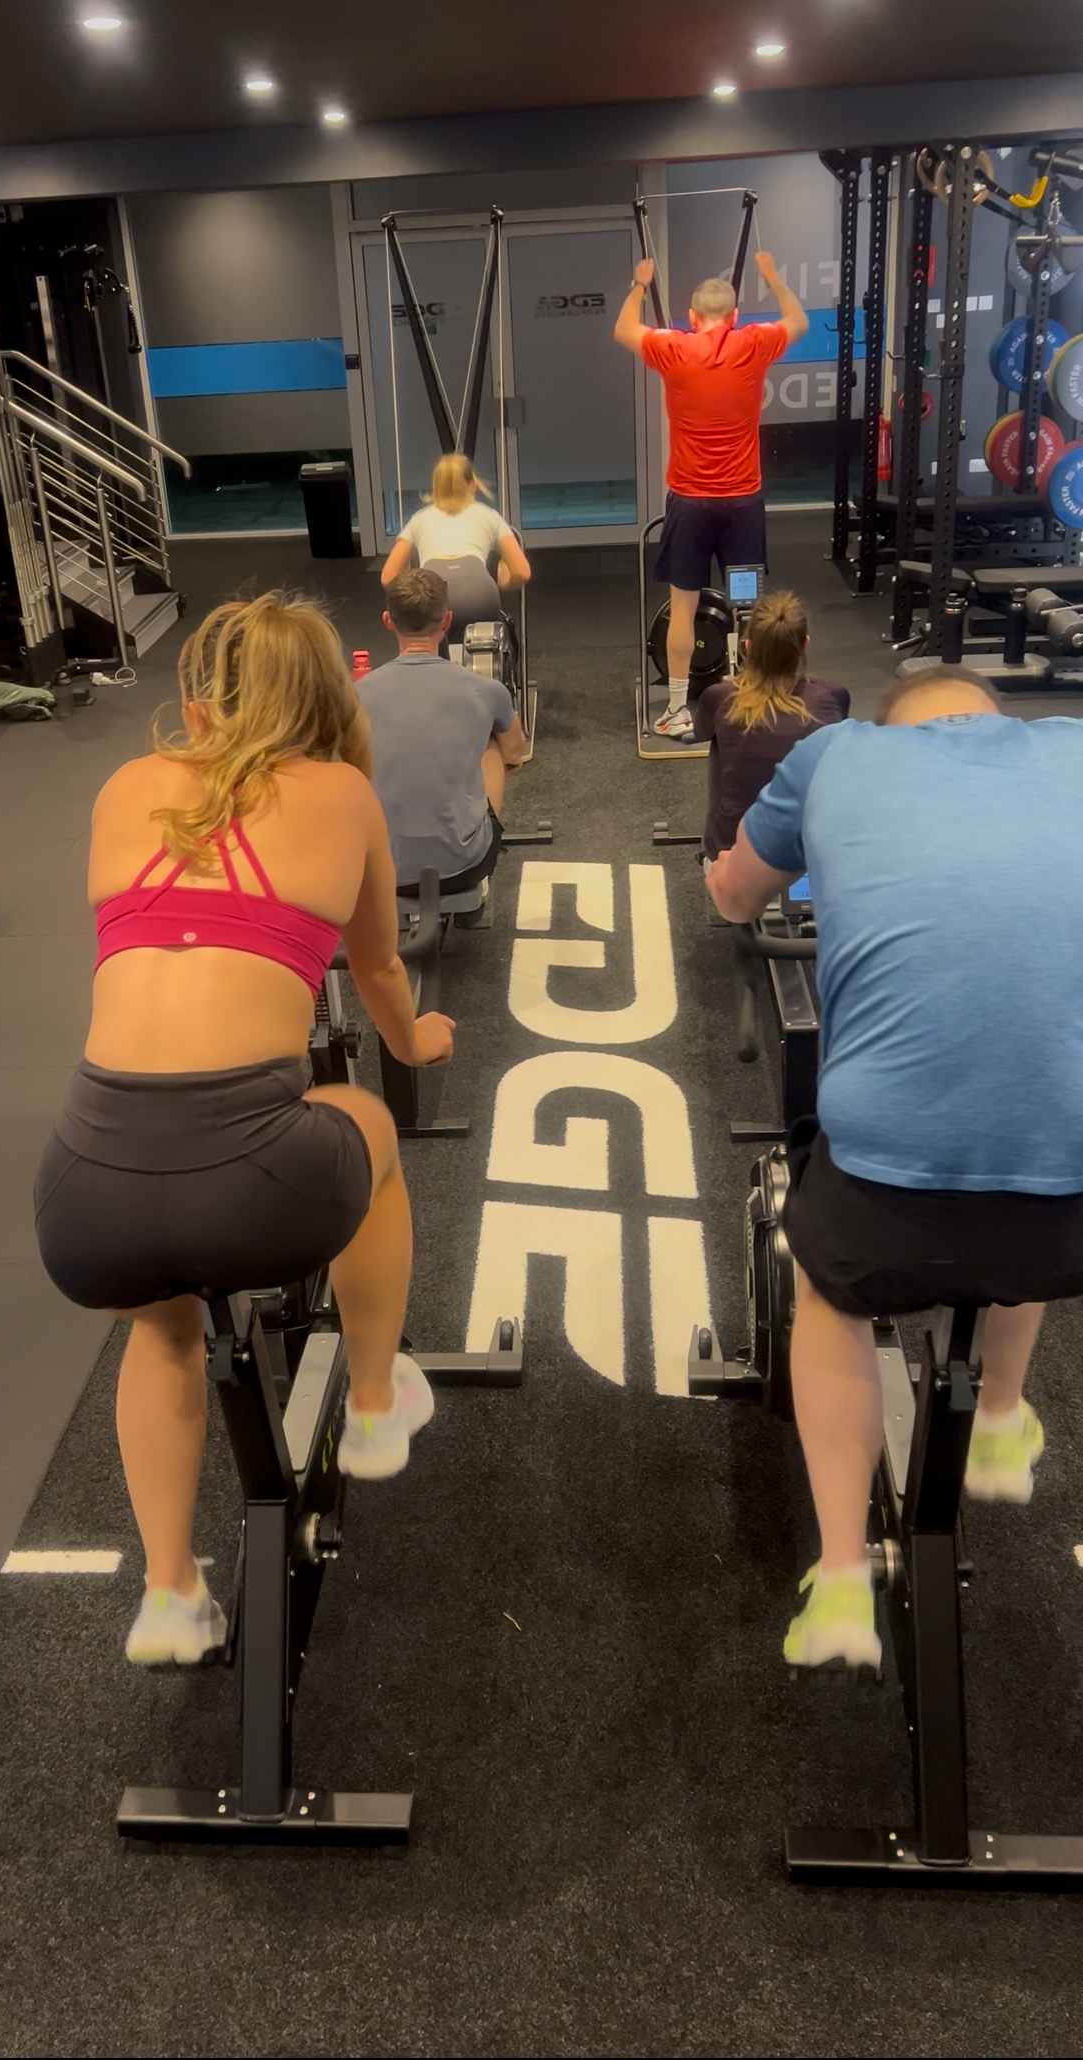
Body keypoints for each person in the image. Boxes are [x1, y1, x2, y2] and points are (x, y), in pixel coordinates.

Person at [34, 593, 455, 1667]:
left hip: (85, 1189)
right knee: (368, 1129)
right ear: (329, 696)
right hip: (249, 1176)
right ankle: (370, 1402)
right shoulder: (344, 794)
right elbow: (378, 974)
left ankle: (168, 1593)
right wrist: (414, 1047)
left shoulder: (127, 784)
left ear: (197, 697)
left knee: (164, 1327)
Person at [705, 668, 1083, 1671]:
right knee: (1034, 1134)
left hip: (886, 1198)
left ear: (893, 723)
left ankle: (838, 1579)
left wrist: (725, 875)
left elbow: (737, 891)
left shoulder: (836, 753)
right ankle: (1000, 1416)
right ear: (992, 721)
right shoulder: (1073, 749)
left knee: (831, 1290)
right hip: (1070, 1202)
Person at [614, 249, 808, 739]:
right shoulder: (755, 342)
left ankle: (678, 708)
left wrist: (639, 285)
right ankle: (755, 697)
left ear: (693, 317)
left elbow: (623, 330)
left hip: (691, 504)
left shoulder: (673, 347)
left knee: (683, 607)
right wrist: (772, 277)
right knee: (750, 608)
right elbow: (798, 321)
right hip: (742, 505)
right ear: (736, 317)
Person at [358, 567, 525, 894]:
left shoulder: (355, 695)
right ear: (447, 621)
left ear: (387, 622)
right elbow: (515, 752)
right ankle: (477, 836)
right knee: (493, 740)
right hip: (463, 867)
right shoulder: (486, 689)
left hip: (378, 870)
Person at [690, 590, 849, 859]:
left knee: (719, 740)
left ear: (748, 647)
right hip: (811, 849)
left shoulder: (719, 698)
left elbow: (700, 732)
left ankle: (714, 850)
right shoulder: (834, 696)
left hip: (736, 851)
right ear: (805, 644)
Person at [379, 453, 532, 643]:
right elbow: (522, 573)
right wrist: (505, 581)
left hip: (433, 595)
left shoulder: (418, 520)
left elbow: (388, 577)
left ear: (435, 487)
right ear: (473, 484)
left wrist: (411, 579)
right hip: (480, 594)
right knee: (484, 650)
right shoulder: (489, 516)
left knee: (434, 649)